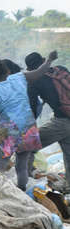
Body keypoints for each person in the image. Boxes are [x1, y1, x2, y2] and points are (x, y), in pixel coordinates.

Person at [0, 51, 58, 191]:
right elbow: (39, 71)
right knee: (21, 165)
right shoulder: (20, 77)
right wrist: (49, 59)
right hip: (29, 126)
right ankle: (21, 190)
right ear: (6, 71)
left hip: (10, 129)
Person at [26, 52, 70, 189]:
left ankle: (24, 180)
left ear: (31, 70)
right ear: (44, 61)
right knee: (68, 151)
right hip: (66, 118)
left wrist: (28, 131)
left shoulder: (34, 82)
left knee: (27, 146)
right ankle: (68, 185)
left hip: (62, 121)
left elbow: (32, 111)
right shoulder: (61, 69)